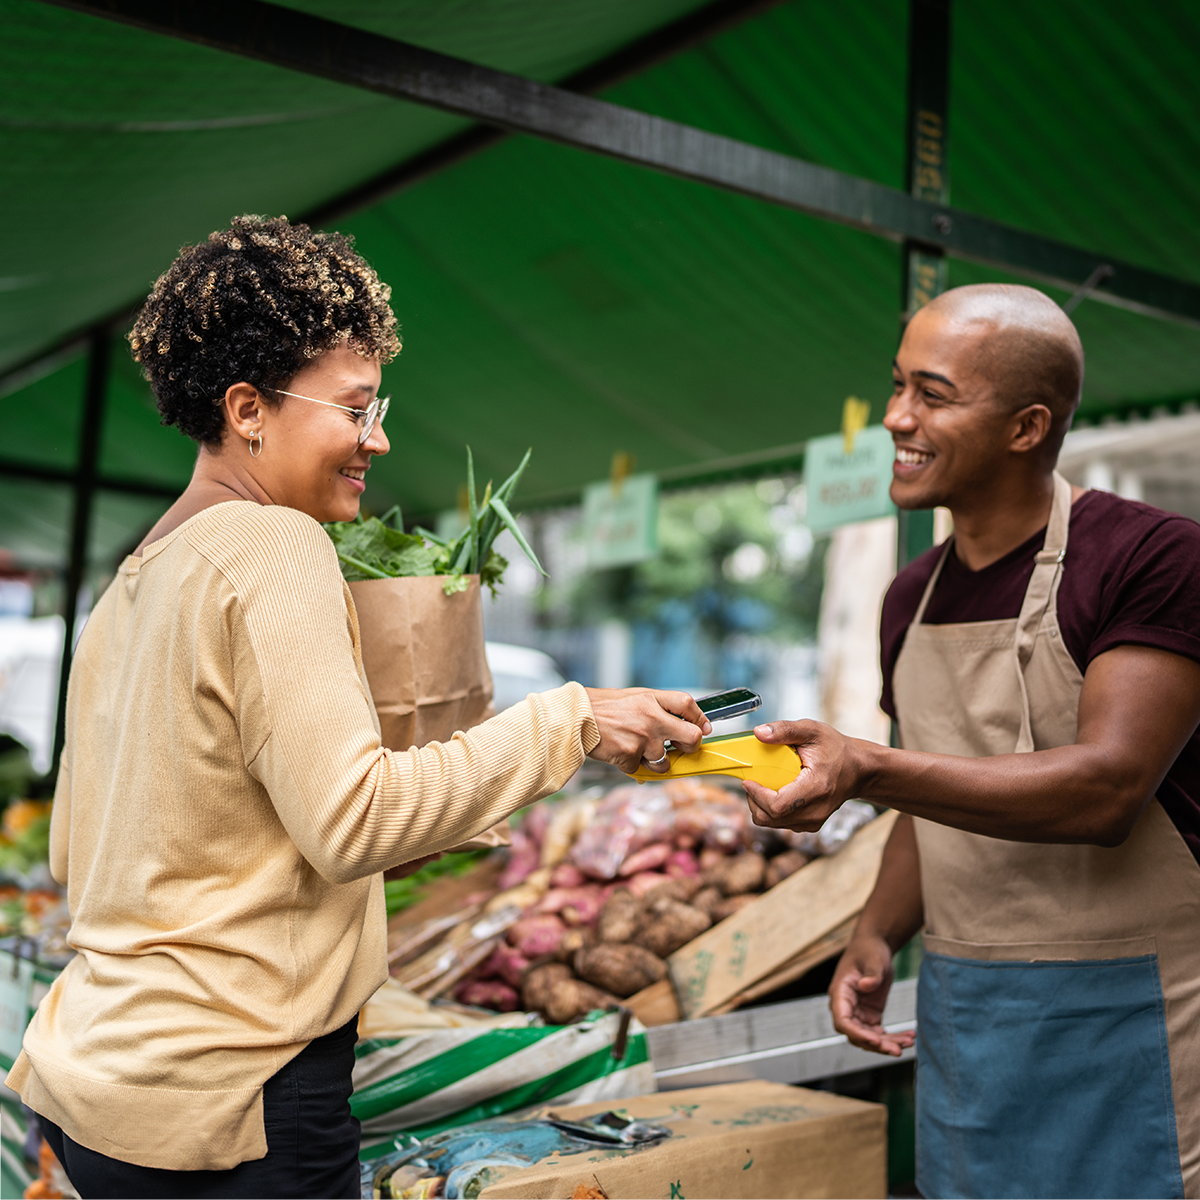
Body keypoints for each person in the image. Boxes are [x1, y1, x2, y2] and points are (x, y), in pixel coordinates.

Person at [4, 215, 710, 1199]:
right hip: (234, 1095)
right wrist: (573, 721)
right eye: (354, 408)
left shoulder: (137, 578)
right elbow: (352, 821)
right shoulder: (274, 545)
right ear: (248, 410)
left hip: (104, 1084)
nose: (377, 438)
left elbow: (85, 852)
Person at [744, 284, 1200, 1198]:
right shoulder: (907, 598)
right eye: (897, 384)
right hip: (969, 1012)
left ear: (1028, 427)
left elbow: (1108, 791)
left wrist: (868, 765)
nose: (895, 417)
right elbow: (929, 798)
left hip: (1135, 1015)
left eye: (932, 394)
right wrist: (877, 932)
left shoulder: (1153, 557)